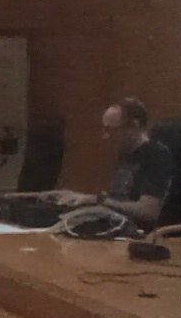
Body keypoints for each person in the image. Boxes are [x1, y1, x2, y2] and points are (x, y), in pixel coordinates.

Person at [71, 97, 175, 231]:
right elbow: (118, 198)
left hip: (133, 232)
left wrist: (100, 201)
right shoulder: (124, 153)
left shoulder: (156, 155)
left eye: (111, 130)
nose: (105, 136)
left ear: (134, 126)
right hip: (113, 223)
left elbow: (148, 211)